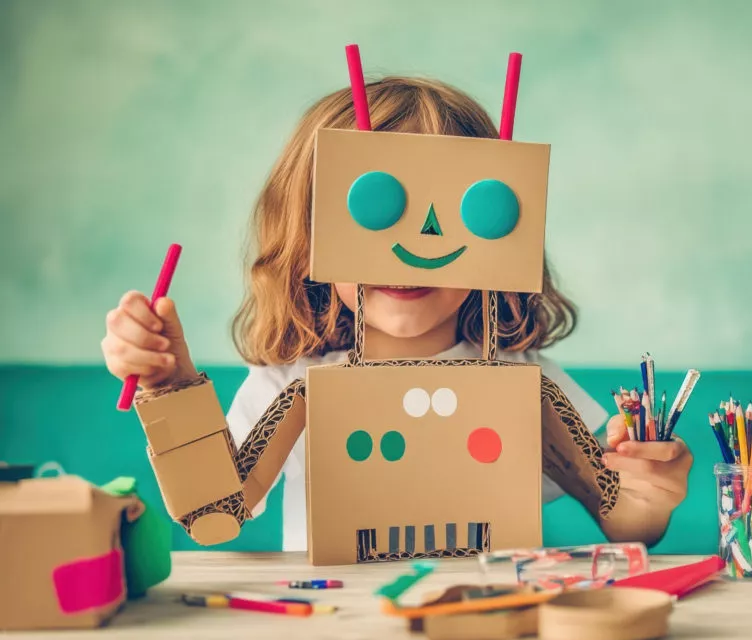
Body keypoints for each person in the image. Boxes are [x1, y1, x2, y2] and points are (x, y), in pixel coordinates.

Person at [101, 76, 693, 551]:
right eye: (376, 209)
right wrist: (170, 387)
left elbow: (626, 524)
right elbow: (215, 514)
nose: (420, 246)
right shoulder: (294, 385)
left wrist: (652, 495)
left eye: (466, 210)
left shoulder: (522, 383)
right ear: (309, 238)